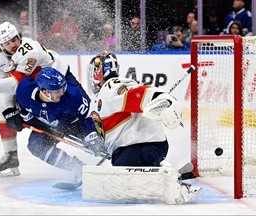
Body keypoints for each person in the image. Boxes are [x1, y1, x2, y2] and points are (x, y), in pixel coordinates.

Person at [0, 21, 87, 177]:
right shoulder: (0, 61)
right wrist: (9, 111)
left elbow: (17, 82)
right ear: (0, 45)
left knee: (83, 121)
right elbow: (7, 91)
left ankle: (108, 144)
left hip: (63, 86)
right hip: (42, 96)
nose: (12, 44)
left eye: (14, 39)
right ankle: (12, 155)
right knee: (36, 143)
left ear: (19, 37)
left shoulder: (28, 48)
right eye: (7, 42)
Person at [86, 51, 200, 204]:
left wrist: (161, 97)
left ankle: (167, 180)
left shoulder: (111, 88)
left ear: (97, 72)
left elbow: (139, 94)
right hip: (154, 147)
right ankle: (162, 169)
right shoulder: (112, 89)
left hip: (137, 149)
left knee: (122, 184)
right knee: (120, 165)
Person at [4, 67, 105, 177]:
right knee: (36, 145)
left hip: (75, 124)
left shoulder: (72, 96)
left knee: (100, 144)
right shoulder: (24, 91)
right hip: (46, 127)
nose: (62, 93)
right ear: (45, 92)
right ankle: (76, 168)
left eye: (63, 88)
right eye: (57, 91)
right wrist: (16, 116)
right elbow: (19, 104)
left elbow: (89, 114)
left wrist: (90, 134)